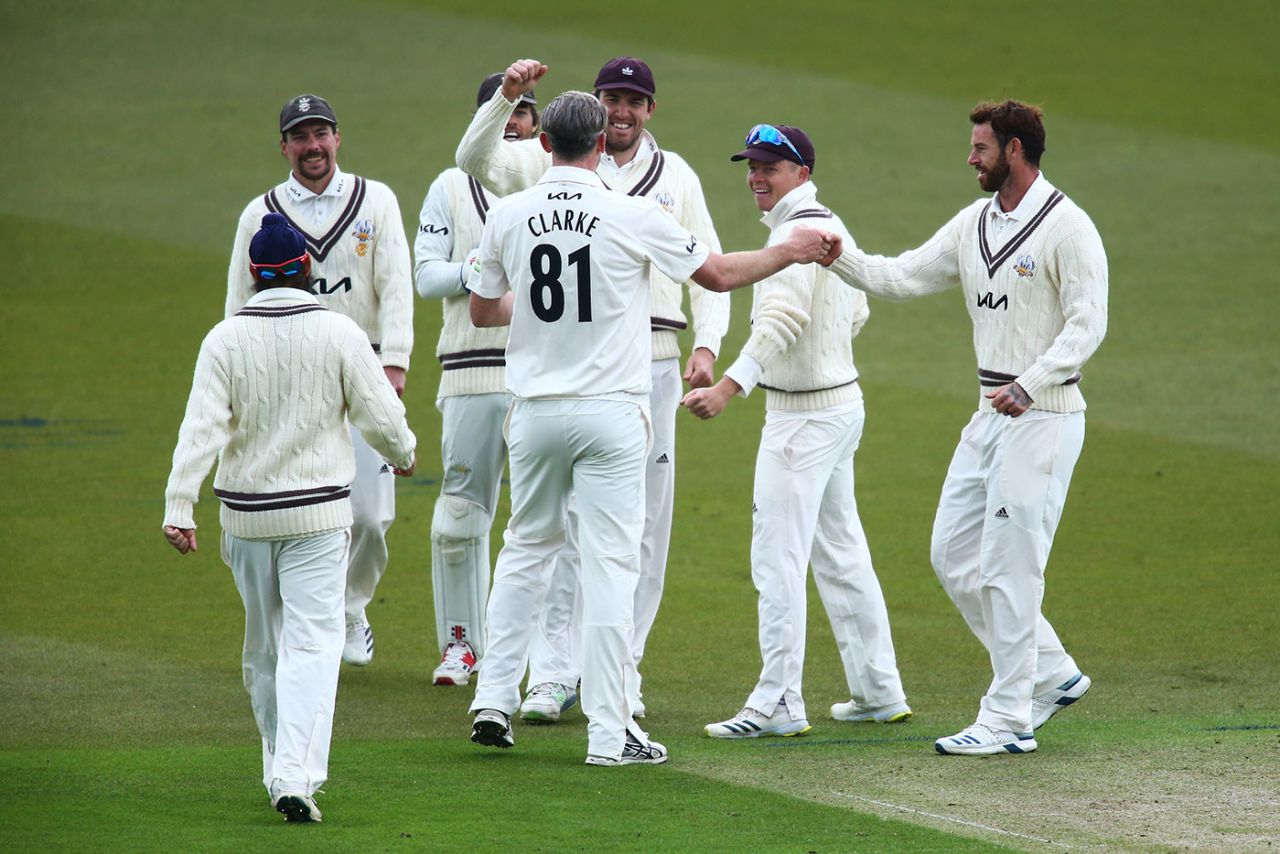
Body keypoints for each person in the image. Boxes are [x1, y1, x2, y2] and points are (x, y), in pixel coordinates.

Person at [464, 90, 838, 765]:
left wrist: (546, 315)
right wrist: (793, 252)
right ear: (601, 144)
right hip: (611, 411)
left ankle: (492, 698)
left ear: (545, 143)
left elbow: (485, 312)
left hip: (535, 412)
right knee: (611, 565)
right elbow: (719, 276)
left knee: (524, 549)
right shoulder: (632, 211)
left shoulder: (510, 215)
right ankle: (611, 736)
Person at [825, 100, 1107, 755]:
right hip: (989, 415)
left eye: (980, 148)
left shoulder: (1068, 228)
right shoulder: (973, 223)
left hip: (1045, 415)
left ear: (1014, 150)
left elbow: (1089, 323)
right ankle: (1052, 671)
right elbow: (900, 275)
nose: (970, 158)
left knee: (1012, 570)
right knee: (953, 555)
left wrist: (1030, 383)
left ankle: (1008, 717)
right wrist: (840, 258)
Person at [457, 57, 730, 721]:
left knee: (639, 534)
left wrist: (706, 347)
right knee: (569, 535)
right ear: (597, 115)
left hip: (654, 363)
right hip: (586, 366)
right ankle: (553, 676)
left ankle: (619, 678)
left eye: (635, 100)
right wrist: (508, 98)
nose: (623, 109)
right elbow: (473, 156)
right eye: (612, 97)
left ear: (651, 109)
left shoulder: (678, 178)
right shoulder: (546, 166)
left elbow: (706, 268)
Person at [163, 213, 416, 822]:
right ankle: (294, 774)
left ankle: (280, 766)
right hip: (317, 517)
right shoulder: (340, 331)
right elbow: (380, 415)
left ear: (253, 274)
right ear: (308, 268)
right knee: (313, 643)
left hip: (245, 519)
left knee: (265, 647)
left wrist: (179, 504)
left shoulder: (223, 337)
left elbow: (201, 429)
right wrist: (403, 453)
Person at [682, 125, 911, 739]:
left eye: (771, 167)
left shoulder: (791, 234)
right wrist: (826, 352)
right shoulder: (832, 223)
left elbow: (782, 318)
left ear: (801, 173)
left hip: (802, 418)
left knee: (776, 557)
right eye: (752, 165)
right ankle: (878, 690)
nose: (757, 176)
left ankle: (780, 701)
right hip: (841, 406)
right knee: (841, 551)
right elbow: (856, 309)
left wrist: (728, 388)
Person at [227, 94, 415, 667]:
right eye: (300, 137)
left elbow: (397, 285)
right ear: (284, 146)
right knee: (292, 502)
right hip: (286, 378)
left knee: (369, 515)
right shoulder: (259, 213)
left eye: (321, 134)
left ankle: (350, 609)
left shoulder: (375, 200)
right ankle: (300, 625)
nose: (313, 146)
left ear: (338, 138)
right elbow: (237, 304)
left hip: (363, 368)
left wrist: (395, 364)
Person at [414, 73, 539, 687]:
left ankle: (544, 661)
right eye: (503, 112)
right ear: (484, 120)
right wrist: (477, 271)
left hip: (539, 375)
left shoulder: (549, 180)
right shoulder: (449, 186)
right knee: (459, 515)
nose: (514, 123)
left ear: (538, 128)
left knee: (545, 522)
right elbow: (426, 277)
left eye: (523, 114)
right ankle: (462, 647)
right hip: (468, 373)